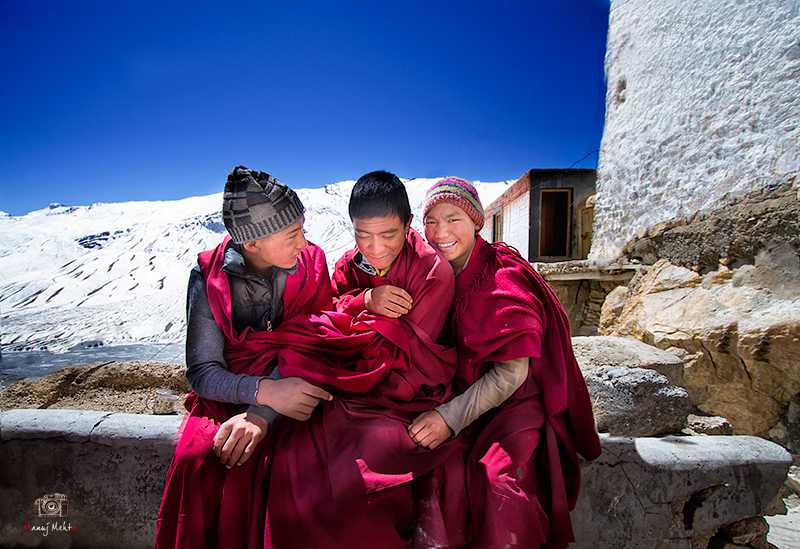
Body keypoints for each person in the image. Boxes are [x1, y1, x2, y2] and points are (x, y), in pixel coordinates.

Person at [256, 171, 462, 549]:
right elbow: (326, 311)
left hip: (404, 392)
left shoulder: (433, 272)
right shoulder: (350, 263)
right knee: (293, 449)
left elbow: (399, 354)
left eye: (388, 235)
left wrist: (349, 322)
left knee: (362, 470)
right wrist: (364, 300)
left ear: (408, 225)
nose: (376, 248)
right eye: (362, 235)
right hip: (349, 385)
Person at [410, 176, 602, 548]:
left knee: (497, 479)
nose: (440, 232)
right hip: (463, 394)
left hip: (514, 404)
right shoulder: (440, 271)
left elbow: (513, 372)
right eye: (431, 221)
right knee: (434, 470)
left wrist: (448, 418)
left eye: (453, 219)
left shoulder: (501, 274)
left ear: (476, 222)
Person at [155, 166, 334, 549]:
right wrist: (264, 393)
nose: (304, 243)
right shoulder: (209, 279)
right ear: (252, 244)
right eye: (292, 234)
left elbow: (317, 342)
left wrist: (263, 414)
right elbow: (203, 371)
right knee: (197, 459)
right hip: (233, 395)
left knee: (302, 466)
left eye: (302, 229)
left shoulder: (312, 264)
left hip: (299, 379)